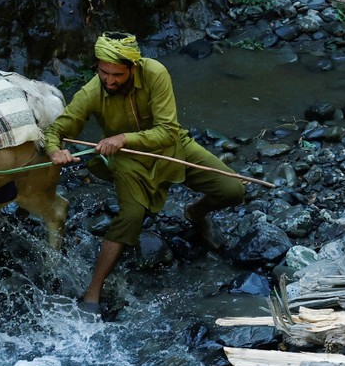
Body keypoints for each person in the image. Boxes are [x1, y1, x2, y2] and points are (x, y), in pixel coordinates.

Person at [44, 31, 245, 317]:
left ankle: (196, 214)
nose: (110, 81)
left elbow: (167, 131)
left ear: (133, 68)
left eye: (117, 75)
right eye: (104, 72)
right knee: (131, 216)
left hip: (171, 148)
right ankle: (93, 290)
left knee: (233, 190)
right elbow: (57, 130)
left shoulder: (155, 73)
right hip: (126, 161)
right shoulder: (92, 91)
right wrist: (55, 151)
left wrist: (124, 137)